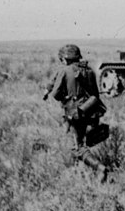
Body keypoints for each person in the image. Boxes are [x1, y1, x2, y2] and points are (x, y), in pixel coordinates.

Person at [44, 44, 108, 182]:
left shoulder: (65, 71)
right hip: (89, 110)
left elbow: (55, 94)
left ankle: (100, 168)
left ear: (66, 59)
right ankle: (78, 171)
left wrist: (65, 99)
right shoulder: (89, 70)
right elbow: (95, 95)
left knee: (77, 147)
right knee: (80, 142)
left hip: (75, 113)